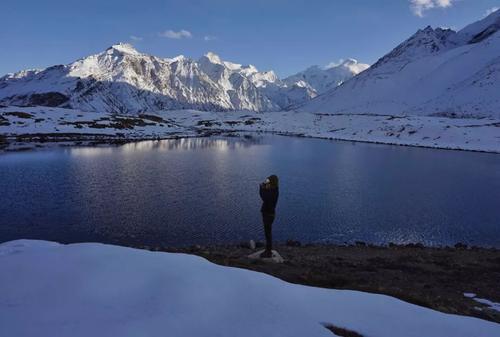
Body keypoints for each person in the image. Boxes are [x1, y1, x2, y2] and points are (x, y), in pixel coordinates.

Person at [259, 175, 279, 258]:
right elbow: (266, 197)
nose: (267, 181)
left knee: (268, 233)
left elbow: (264, 198)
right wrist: (265, 188)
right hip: (269, 214)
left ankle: (268, 251)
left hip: (268, 214)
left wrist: (261, 188)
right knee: (268, 233)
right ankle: (268, 250)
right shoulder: (274, 189)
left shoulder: (273, 191)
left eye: (268, 180)